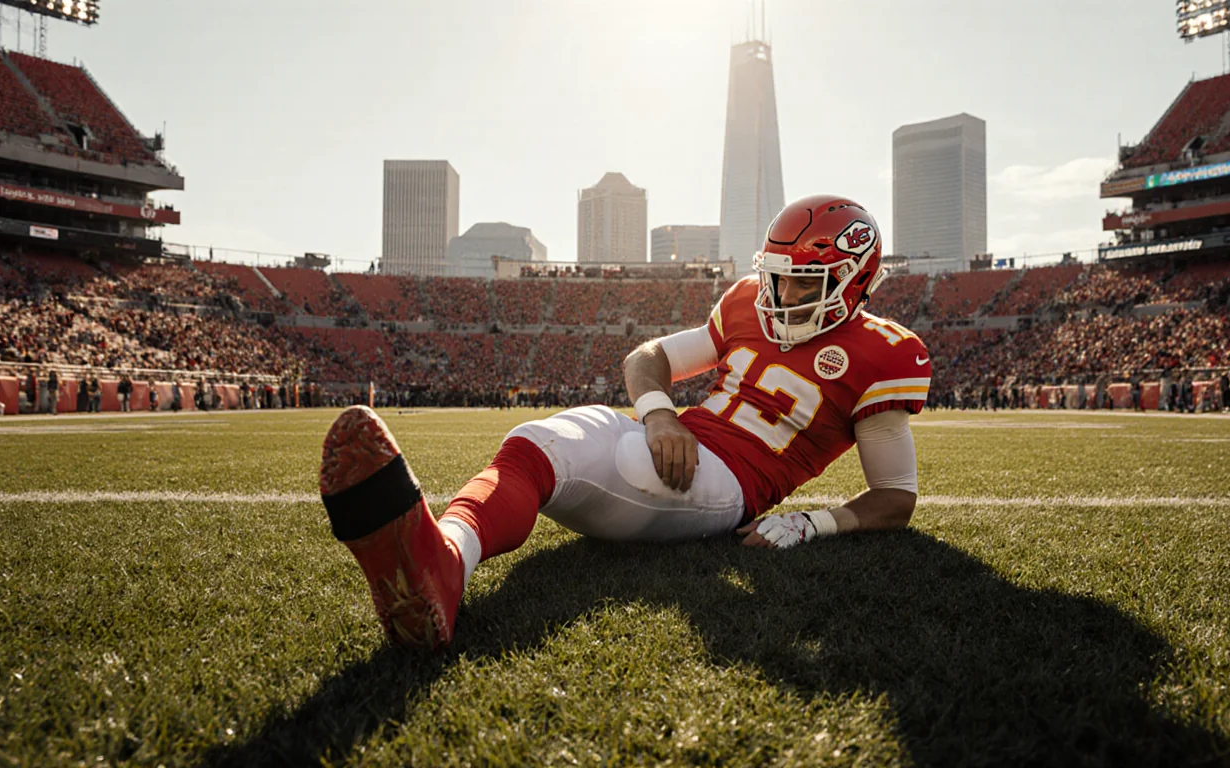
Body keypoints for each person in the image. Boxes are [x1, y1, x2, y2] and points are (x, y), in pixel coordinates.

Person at [317, 195, 929, 650]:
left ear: (855, 281)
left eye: (802, 283)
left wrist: (814, 522)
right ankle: (442, 559)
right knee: (538, 440)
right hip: (683, 445)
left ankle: (440, 564)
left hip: (730, 486)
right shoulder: (748, 303)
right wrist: (661, 415)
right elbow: (648, 357)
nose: (780, 296)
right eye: (776, 277)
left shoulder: (882, 354)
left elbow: (894, 498)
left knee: (593, 455)